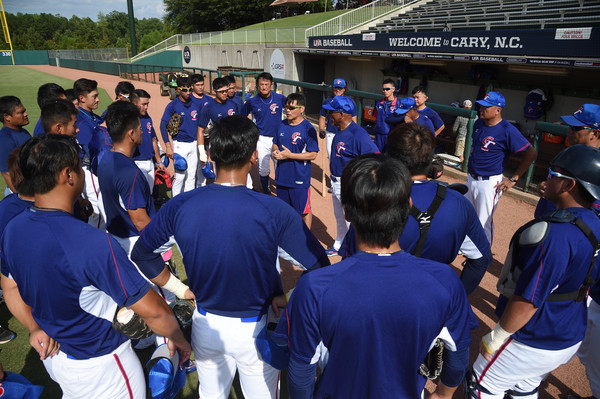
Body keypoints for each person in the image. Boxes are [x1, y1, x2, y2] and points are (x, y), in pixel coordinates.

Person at [131, 115, 329, 399]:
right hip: (258, 328)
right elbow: (320, 268)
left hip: (206, 325)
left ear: (210, 154)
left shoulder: (179, 205)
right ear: (253, 156)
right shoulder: (275, 210)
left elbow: (142, 254)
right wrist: (287, 299)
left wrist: (180, 289)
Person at [0, 134, 191, 398]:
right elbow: (155, 312)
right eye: (79, 167)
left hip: (56, 360)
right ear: (68, 175)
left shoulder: (12, 229)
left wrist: (33, 326)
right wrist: (178, 338)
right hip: (103, 364)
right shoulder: (92, 242)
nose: (82, 172)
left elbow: (9, 287)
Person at [287, 153, 477, 399]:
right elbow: (458, 358)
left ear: (346, 212)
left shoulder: (314, 286)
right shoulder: (446, 280)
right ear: (409, 205)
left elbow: (301, 369)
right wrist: (443, 393)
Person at [467, 144, 600, 399]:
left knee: (482, 385)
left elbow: (529, 300)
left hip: (535, 336)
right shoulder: (595, 221)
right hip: (569, 332)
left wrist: (498, 336)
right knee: (524, 388)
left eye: (554, 173)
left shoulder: (557, 235)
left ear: (568, 185)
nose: (547, 177)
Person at [340, 122, 492, 295]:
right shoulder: (460, 203)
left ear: (389, 158)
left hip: (382, 298)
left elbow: (349, 264)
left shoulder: (376, 200)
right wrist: (457, 297)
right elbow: (482, 259)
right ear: (430, 158)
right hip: (434, 302)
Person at [464, 91, 537, 244]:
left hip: (489, 183)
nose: (481, 109)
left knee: (484, 222)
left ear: (498, 110)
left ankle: (481, 257)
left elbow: (531, 153)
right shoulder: (478, 123)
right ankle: (465, 247)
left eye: (486, 107)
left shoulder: (507, 129)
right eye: (481, 105)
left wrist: (514, 178)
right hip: (471, 178)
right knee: (466, 216)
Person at [323, 95, 378, 256]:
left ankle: (354, 251)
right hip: (336, 182)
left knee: (352, 220)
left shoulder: (357, 134)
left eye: (331, 112)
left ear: (341, 114)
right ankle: (340, 244)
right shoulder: (340, 130)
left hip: (348, 184)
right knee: (340, 218)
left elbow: (375, 157)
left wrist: (359, 180)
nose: (328, 115)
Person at [535, 104, 600, 218]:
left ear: (595, 133)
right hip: (548, 218)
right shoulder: (571, 152)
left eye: (576, 128)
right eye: (570, 126)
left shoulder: (597, 165)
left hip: (573, 228)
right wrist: (546, 185)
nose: (569, 131)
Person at [272, 93, 319, 228]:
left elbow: (312, 155)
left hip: (299, 179)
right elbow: (275, 143)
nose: (287, 110)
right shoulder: (281, 124)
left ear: (302, 109)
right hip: (281, 177)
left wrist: (290, 155)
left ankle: (307, 240)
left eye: (292, 108)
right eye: (286, 107)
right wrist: (275, 150)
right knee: (284, 211)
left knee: (303, 211)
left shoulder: (308, 129)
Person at [243, 72, 287, 194]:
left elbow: (293, 110)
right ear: (257, 86)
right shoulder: (252, 102)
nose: (264, 87)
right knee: (263, 168)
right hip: (261, 138)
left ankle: (281, 191)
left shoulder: (280, 99)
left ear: (271, 85)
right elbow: (242, 115)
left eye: (266, 84)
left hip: (278, 138)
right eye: (261, 84)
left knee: (280, 166)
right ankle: (265, 191)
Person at [73, 78, 107, 229]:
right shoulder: (80, 120)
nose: (98, 99)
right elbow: (91, 151)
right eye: (94, 96)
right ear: (82, 98)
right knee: (99, 214)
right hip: (91, 170)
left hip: (98, 167)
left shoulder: (93, 116)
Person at [160, 76, 200, 196]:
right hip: (179, 145)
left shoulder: (196, 104)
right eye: (184, 90)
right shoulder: (173, 106)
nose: (188, 93)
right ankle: (175, 202)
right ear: (178, 90)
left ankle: (187, 202)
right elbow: (163, 125)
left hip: (194, 144)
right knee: (181, 176)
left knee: (191, 176)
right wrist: (168, 146)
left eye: (190, 90)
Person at [197, 77, 239, 187]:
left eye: (227, 90)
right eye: (222, 91)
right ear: (215, 91)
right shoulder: (208, 108)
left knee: (237, 175)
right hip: (218, 144)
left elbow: (240, 123)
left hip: (234, 143)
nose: (225, 93)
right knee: (221, 177)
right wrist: (202, 151)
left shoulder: (233, 104)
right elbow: (201, 129)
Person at [130, 89, 165, 192]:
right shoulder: (129, 120)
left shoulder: (147, 117)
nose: (146, 107)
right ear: (134, 103)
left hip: (150, 161)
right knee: (140, 194)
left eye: (147, 104)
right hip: (137, 162)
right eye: (143, 104)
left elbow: (153, 139)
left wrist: (158, 161)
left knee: (148, 193)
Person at [318, 78, 358, 160]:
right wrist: (321, 130)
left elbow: (354, 119)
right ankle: (332, 173)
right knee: (331, 156)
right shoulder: (328, 101)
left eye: (340, 88)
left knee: (343, 157)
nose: (338, 90)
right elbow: (322, 117)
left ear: (344, 89)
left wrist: (354, 133)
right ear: (333, 88)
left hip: (345, 134)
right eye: (336, 88)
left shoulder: (350, 102)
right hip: (331, 133)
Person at [0, 96, 30, 195]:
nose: (26, 114)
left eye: (24, 111)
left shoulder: (22, 131)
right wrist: (20, 197)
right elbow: (6, 173)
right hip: (20, 191)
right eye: (20, 112)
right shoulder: (5, 138)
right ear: (7, 117)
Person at [372, 78, 399, 152]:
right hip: (379, 135)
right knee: (377, 156)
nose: (385, 91)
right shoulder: (379, 103)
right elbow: (375, 117)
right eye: (383, 89)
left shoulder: (398, 104)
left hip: (391, 135)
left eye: (387, 89)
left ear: (393, 89)